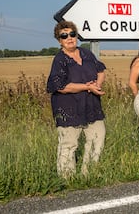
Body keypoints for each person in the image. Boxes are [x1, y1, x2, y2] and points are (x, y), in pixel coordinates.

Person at [47, 20, 107, 178]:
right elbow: (60, 85)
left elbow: (101, 70)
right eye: (64, 36)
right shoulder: (60, 60)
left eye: (72, 34)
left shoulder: (86, 53)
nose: (69, 38)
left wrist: (97, 85)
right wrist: (86, 87)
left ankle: (89, 174)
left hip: (91, 105)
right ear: (59, 40)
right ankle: (67, 180)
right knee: (69, 144)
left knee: (97, 137)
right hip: (68, 109)